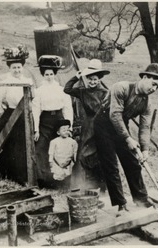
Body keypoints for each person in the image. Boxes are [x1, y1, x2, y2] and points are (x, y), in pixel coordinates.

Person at [93, 63, 158, 216]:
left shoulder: (147, 103)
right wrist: (127, 138)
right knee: (111, 165)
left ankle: (141, 199)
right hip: (103, 124)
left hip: (121, 125)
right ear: (144, 77)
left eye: (157, 87)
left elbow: (145, 128)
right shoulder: (121, 87)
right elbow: (114, 115)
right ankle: (121, 204)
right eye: (153, 84)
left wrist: (145, 149)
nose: (153, 89)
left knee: (133, 161)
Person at [0, 45, 33, 184]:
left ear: (23, 67)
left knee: (20, 145)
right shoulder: (5, 82)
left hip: (23, 116)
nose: (17, 70)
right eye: (14, 67)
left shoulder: (27, 81)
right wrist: (3, 114)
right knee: (3, 142)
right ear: (9, 68)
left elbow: (33, 98)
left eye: (19, 67)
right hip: (9, 114)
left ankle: (20, 176)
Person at [64, 59, 110, 191]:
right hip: (88, 125)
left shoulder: (105, 93)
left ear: (99, 79)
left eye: (95, 79)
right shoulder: (82, 91)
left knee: (101, 153)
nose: (92, 82)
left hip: (102, 124)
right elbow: (67, 89)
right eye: (90, 79)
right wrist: (76, 76)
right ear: (86, 79)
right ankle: (77, 186)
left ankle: (102, 185)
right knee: (82, 154)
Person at [32, 55, 74, 188]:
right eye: (46, 74)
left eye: (51, 74)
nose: (49, 76)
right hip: (45, 121)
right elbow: (36, 109)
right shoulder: (39, 91)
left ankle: (61, 180)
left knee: (61, 148)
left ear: (54, 74)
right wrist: (37, 129)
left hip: (59, 120)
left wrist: (69, 127)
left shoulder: (62, 90)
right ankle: (44, 180)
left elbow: (67, 108)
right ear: (43, 75)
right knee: (41, 148)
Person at [48, 119, 78, 189]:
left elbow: (75, 152)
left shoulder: (72, 142)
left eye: (67, 129)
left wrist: (75, 161)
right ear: (58, 132)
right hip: (57, 163)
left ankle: (67, 187)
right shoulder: (54, 142)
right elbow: (51, 152)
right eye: (64, 130)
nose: (66, 132)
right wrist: (50, 161)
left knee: (68, 175)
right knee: (58, 176)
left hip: (68, 163)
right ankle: (58, 188)